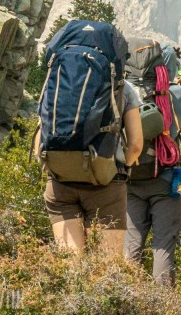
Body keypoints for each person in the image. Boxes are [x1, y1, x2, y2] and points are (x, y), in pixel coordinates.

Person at [36, 79, 143, 254]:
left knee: (72, 265)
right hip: (106, 183)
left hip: (60, 183)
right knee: (106, 268)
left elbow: (39, 141)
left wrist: (60, 164)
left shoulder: (54, 80)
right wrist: (121, 170)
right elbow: (136, 146)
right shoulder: (123, 86)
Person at [124, 77, 181, 285]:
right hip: (166, 181)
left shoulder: (124, 88)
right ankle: (162, 303)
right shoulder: (179, 93)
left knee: (130, 245)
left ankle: (123, 298)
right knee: (163, 245)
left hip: (131, 179)